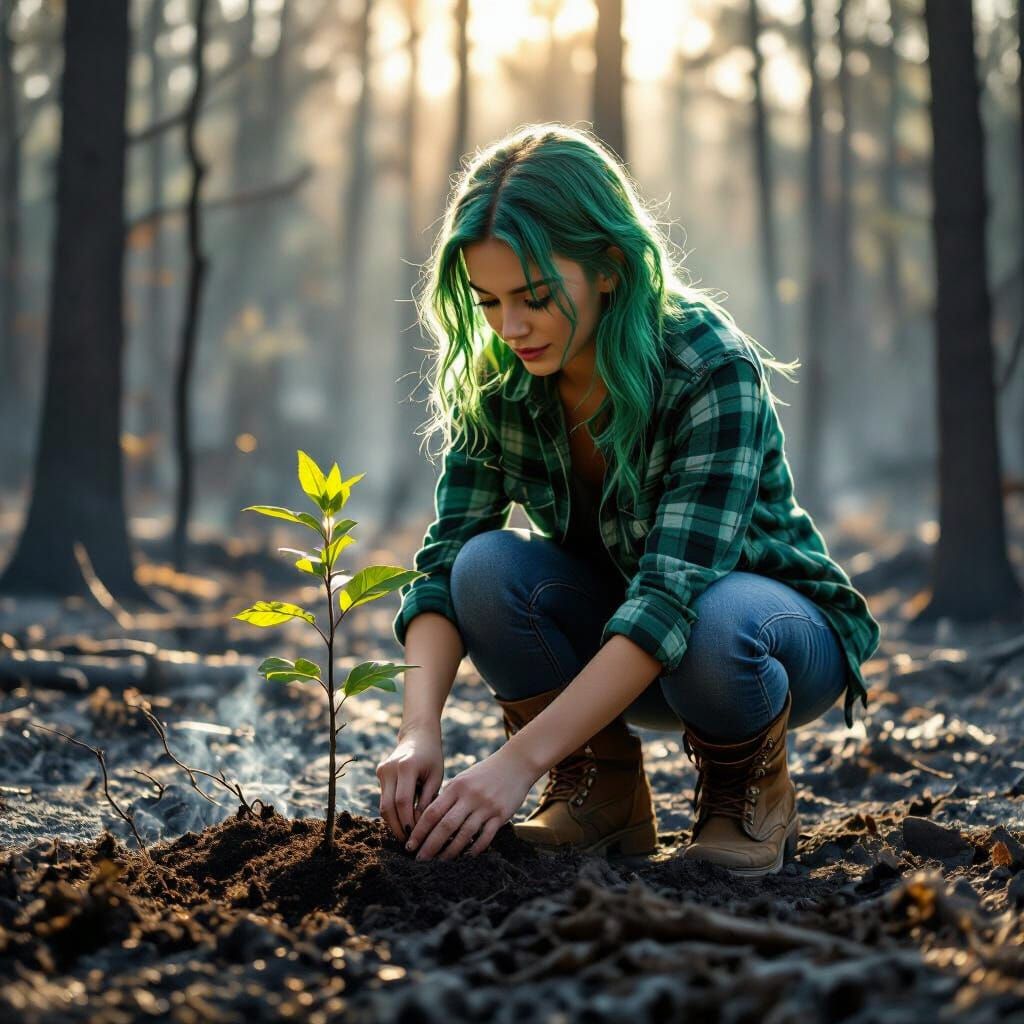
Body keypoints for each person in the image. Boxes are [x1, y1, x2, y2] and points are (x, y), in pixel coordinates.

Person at [375, 123, 880, 876]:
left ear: (609, 266)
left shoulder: (708, 365)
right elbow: (443, 564)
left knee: (711, 618)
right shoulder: (502, 381)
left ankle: (748, 795)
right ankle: (600, 796)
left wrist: (511, 764)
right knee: (480, 567)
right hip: (617, 646)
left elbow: (670, 598)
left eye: (535, 298)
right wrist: (418, 730)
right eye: (488, 302)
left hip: (760, 640)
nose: (510, 328)